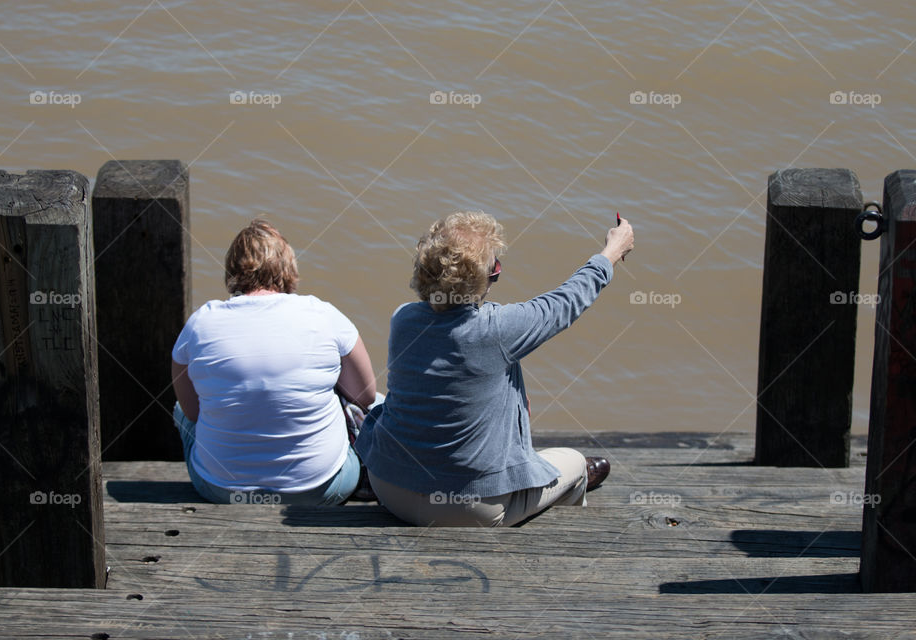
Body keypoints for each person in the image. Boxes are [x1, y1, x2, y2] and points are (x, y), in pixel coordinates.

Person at [355, 210, 634, 526]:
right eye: (495, 269)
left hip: (390, 487)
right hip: (470, 508)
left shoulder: (403, 319)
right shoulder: (499, 329)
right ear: (483, 281)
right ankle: (557, 540)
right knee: (576, 466)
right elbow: (566, 302)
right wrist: (611, 252)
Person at [171, 219, 377, 505]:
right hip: (321, 489)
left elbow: (192, 412)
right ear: (288, 267)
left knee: (179, 410)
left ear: (233, 270)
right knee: (377, 403)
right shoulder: (324, 315)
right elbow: (364, 395)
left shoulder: (200, 323)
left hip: (221, 490)